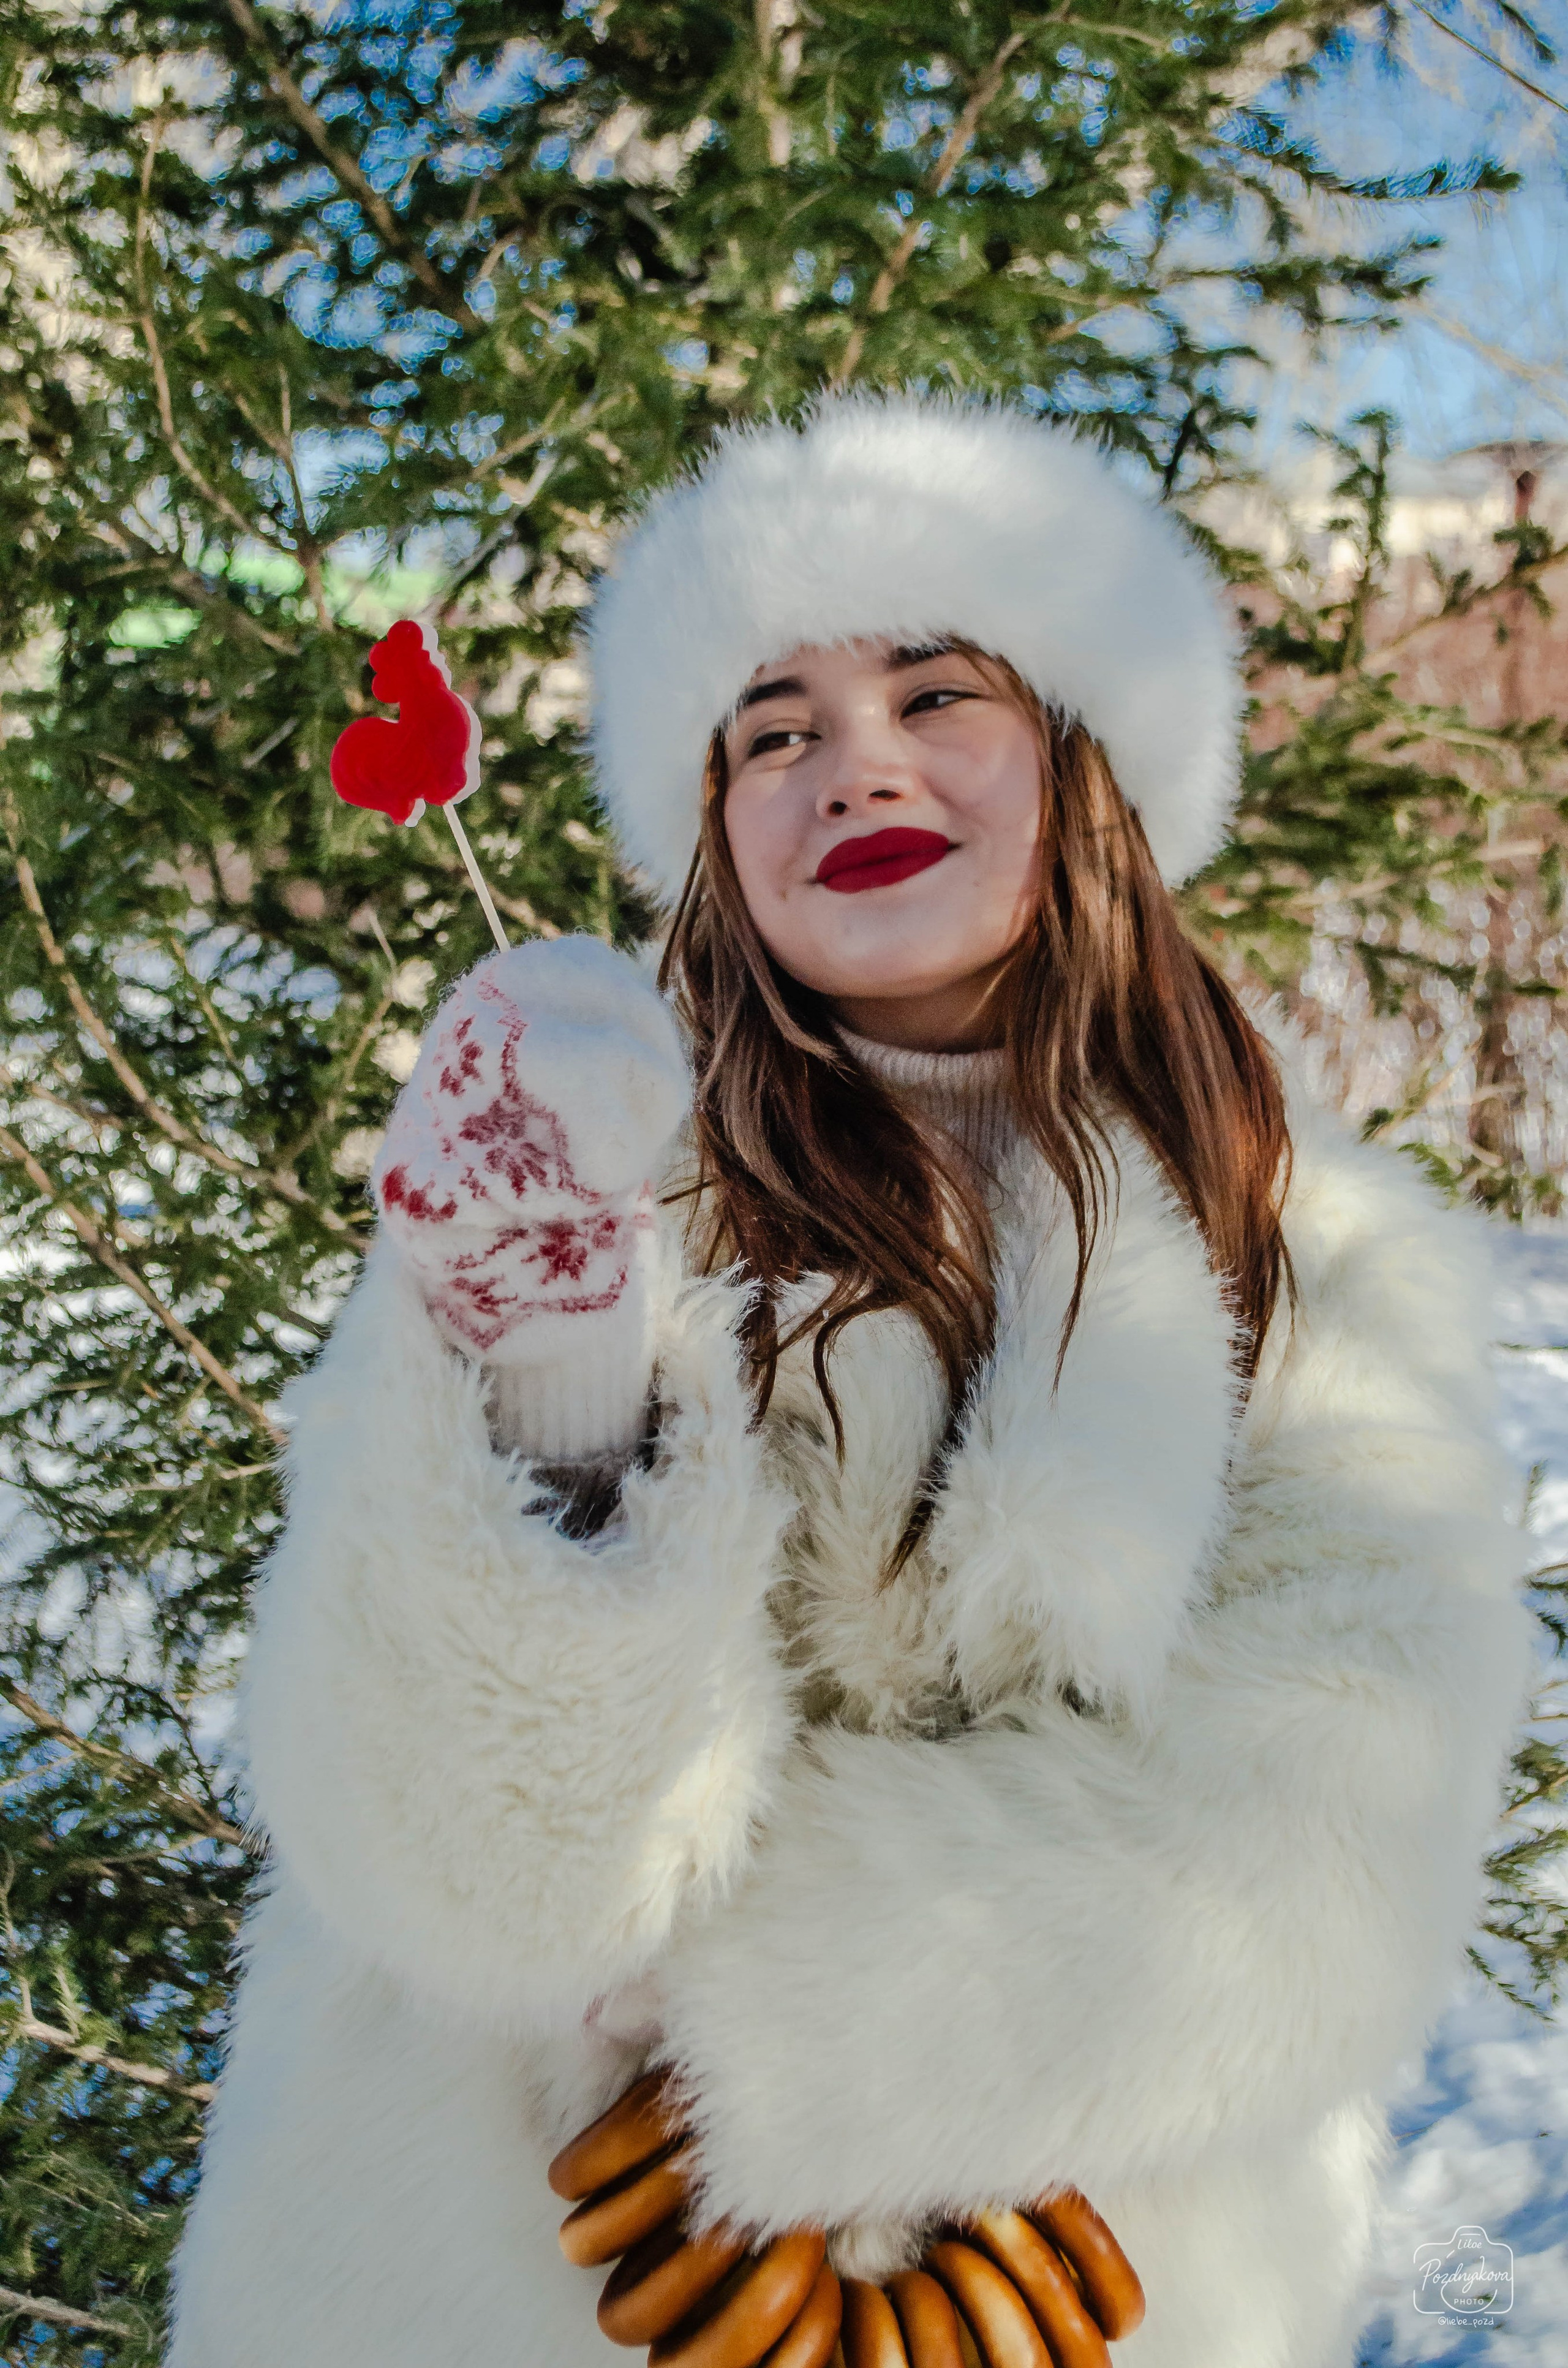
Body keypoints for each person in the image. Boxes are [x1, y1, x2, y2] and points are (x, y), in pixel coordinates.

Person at [168, 395, 1534, 2368]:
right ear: (715, 825)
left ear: (1088, 761)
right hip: (477, 2290)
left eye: (935, 690)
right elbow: (424, 1829)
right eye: (774, 727)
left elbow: (1326, 1826)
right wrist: (562, 1380)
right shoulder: (568, 1153)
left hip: (1113, 2295)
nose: (850, 761)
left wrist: (743, 2000)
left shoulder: (1318, 1257)